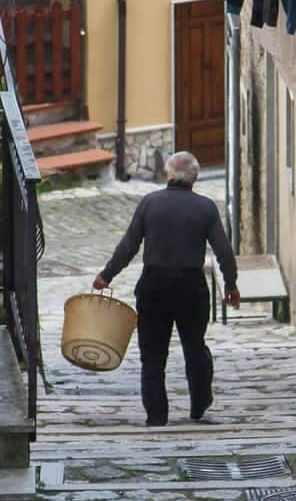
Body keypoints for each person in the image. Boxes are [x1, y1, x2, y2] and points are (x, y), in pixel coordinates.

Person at [93, 151, 240, 425]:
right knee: (195, 347)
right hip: (191, 288)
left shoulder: (150, 204)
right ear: (195, 177)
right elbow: (224, 251)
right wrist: (230, 285)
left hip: (154, 287)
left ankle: (157, 416)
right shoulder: (206, 208)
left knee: (152, 355)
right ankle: (199, 403)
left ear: (167, 175)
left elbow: (129, 246)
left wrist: (106, 275)